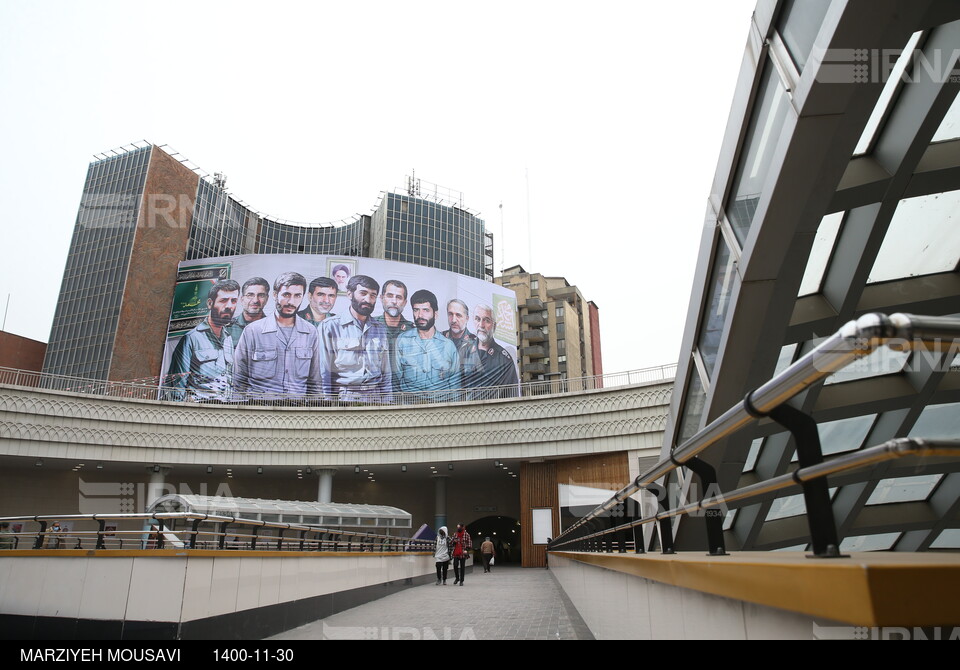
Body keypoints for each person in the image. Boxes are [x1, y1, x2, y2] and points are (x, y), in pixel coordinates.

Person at [233, 272, 323, 399]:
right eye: (286, 295)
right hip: (260, 411)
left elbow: (315, 382)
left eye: (297, 295)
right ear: (275, 295)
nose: (291, 301)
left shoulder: (310, 332)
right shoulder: (253, 331)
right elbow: (239, 380)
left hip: (297, 412)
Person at [319, 275, 392, 402]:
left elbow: (386, 372)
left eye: (373, 295)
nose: (368, 300)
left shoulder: (380, 329)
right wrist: (327, 404)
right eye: (363, 293)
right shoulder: (330, 327)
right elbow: (323, 372)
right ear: (349, 294)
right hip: (345, 398)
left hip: (375, 399)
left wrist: (388, 401)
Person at [166, 279, 241, 401]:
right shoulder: (192, 338)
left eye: (233, 301)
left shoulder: (228, 339)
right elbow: (176, 384)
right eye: (223, 300)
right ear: (210, 303)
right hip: (198, 411)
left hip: (224, 411)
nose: (229, 306)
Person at [394, 290, 462, 398]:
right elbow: (396, 379)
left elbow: (455, 386)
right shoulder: (402, 341)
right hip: (410, 410)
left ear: (435, 314)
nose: (420, 315)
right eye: (416, 310)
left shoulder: (448, 346)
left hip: (439, 410)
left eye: (426, 310)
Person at [468, 303, 520, 398]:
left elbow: (513, 393)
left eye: (486, 320)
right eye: (477, 319)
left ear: (494, 326)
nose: (481, 325)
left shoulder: (504, 359)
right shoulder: (464, 352)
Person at [374, 280, 414, 390]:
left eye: (399, 297)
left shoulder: (414, 331)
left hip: (405, 395)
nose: (394, 301)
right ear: (381, 298)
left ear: (405, 302)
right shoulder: (369, 327)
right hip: (375, 395)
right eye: (390, 296)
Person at [443, 299, 481, 379]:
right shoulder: (438, 340)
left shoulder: (477, 344)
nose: (453, 320)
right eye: (450, 314)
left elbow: (480, 378)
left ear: (467, 318)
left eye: (458, 315)